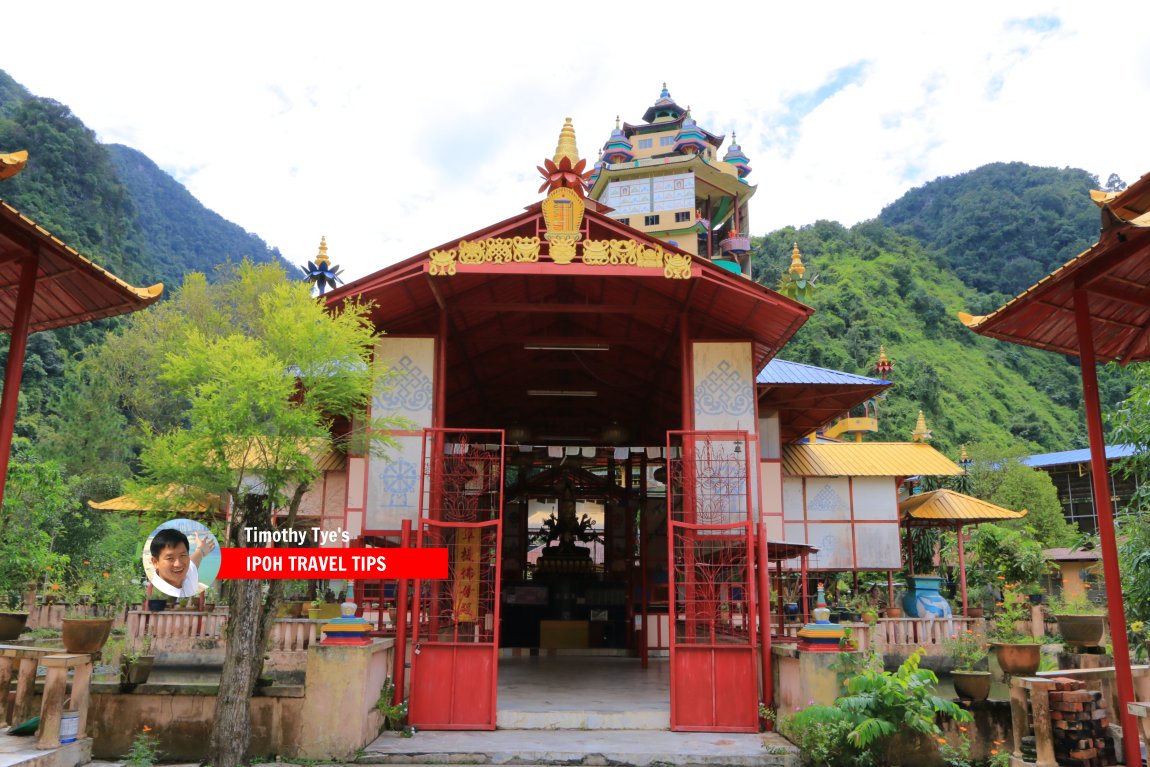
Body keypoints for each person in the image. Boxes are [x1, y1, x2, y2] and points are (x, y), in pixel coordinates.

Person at [149, 528, 217, 598]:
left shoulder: (187, 575)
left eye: (182, 555)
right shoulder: (156, 594)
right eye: (170, 558)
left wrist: (201, 550)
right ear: (155, 562)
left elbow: (193, 562)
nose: (178, 564)